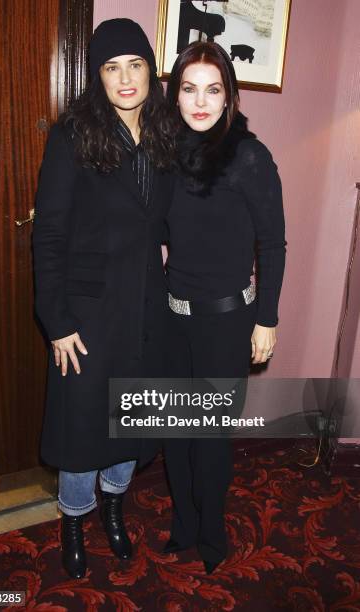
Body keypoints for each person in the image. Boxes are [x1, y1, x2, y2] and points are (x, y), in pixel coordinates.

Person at [32, 18, 174, 579]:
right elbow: (50, 235)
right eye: (111, 68)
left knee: (130, 418)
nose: (124, 78)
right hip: (87, 315)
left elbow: (170, 216)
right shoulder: (73, 134)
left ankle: (113, 505)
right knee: (81, 425)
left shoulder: (165, 135)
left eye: (134, 65)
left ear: (149, 71)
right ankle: (74, 518)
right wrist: (57, 320)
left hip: (144, 309)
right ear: (97, 76)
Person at [162, 41, 287, 575]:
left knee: (209, 438)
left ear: (230, 96)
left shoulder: (250, 156)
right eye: (189, 89)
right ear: (175, 95)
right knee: (172, 431)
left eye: (213, 89)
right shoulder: (165, 154)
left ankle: (211, 536)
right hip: (172, 317)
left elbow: (273, 243)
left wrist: (267, 320)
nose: (200, 101)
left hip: (227, 321)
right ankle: (184, 526)